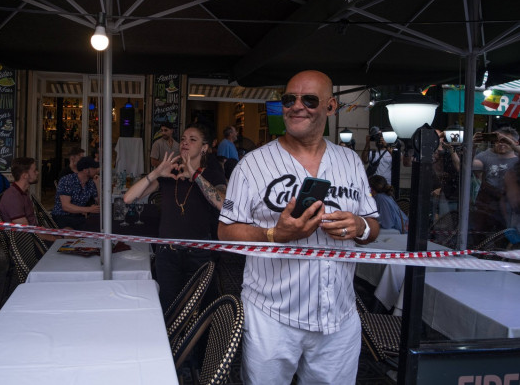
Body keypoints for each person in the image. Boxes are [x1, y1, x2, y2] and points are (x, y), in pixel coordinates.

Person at [217, 70, 379, 385]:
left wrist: (358, 226)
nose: (296, 106)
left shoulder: (350, 162)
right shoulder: (252, 165)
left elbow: (372, 227)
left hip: (339, 320)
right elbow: (225, 232)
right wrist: (274, 235)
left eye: (309, 99)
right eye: (289, 99)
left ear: (331, 106)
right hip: (272, 318)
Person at [124, 123, 226, 310]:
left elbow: (222, 203)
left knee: (197, 307)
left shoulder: (212, 174)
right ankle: (169, 340)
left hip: (199, 253)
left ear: (204, 148)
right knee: (168, 306)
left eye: (192, 140)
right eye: (184, 139)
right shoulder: (170, 173)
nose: (185, 143)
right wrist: (156, 172)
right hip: (167, 253)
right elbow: (129, 198)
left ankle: (194, 340)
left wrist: (195, 175)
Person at [470, 127, 520, 236]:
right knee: (481, 235)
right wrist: (472, 145)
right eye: (497, 141)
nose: (501, 144)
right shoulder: (486, 155)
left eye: (505, 141)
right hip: (487, 204)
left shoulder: (517, 158)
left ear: (515, 142)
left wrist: (512, 144)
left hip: (511, 206)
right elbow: (467, 167)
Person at [0, 157, 56, 242]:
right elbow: (26, 230)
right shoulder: (13, 197)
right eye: (34, 170)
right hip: (29, 246)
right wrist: (55, 240)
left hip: (35, 238)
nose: (38, 172)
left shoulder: (23, 192)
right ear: (25, 175)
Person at [51, 156, 101, 230]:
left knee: (97, 228)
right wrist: (88, 209)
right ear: (86, 170)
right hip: (62, 216)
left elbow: (99, 203)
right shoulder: (67, 180)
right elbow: (66, 206)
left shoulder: (90, 183)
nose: (97, 170)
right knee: (71, 234)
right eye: (94, 168)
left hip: (79, 217)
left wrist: (98, 186)